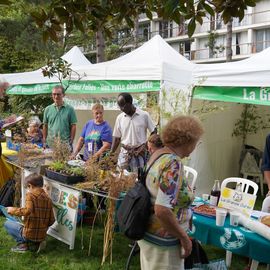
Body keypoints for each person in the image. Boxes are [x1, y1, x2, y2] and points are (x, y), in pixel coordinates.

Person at [138, 115, 204, 270]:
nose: (195, 147)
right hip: (164, 241)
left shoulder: (158, 154)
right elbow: (162, 209)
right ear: (187, 141)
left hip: (149, 233)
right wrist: (184, 238)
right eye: (196, 142)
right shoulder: (173, 163)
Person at [4, 173, 55, 252]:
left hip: (29, 235)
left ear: (30, 185)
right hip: (42, 235)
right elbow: (52, 220)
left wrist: (12, 210)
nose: (28, 190)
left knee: (7, 223)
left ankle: (23, 245)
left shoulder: (30, 195)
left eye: (27, 187)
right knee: (21, 223)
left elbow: (27, 211)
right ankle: (38, 242)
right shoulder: (48, 199)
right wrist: (41, 227)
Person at [111, 92, 156, 172]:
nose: (121, 108)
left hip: (140, 154)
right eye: (119, 106)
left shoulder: (144, 115)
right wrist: (111, 153)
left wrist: (146, 145)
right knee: (121, 178)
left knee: (139, 179)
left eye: (123, 105)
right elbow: (117, 138)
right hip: (124, 155)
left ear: (130, 103)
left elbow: (154, 131)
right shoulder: (120, 118)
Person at [43, 85, 77, 149]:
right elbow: (45, 125)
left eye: (58, 94)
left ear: (63, 95)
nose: (56, 96)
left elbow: (73, 126)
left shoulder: (70, 109)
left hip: (65, 143)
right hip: (51, 144)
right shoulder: (47, 109)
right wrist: (44, 140)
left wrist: (71, 140)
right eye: (54, 94)